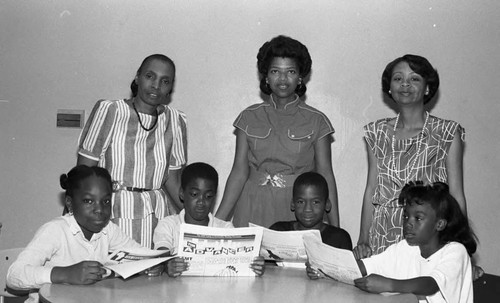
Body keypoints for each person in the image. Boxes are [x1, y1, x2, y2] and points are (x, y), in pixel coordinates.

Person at [216, 35, 339, 228]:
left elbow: (325, 174)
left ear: (300, 77)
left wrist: (335, 228)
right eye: (275, 71)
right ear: (266, 76)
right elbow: (239, 172)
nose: (283, 79)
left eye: (290, 71)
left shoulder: (317, 121)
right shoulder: (248, 117)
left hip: (295, 209)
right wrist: (217, 223)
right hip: (251, 205)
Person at [354, 54, 468, 259]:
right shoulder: (377, 132)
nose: (405, 84)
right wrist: (363, 239)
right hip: (383, 232)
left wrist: (460, 249)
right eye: (398, 78)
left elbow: (457, 195)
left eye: (414, 78)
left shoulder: (447, 132)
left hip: (427, 231)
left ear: (427, 88)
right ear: (389, 87)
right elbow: (371, 189)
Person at [77, 54, 187, 249]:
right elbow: (83, 175)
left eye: (165, 81)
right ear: (137, 77)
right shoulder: (110, 111)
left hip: (157, 216)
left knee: (155, 275)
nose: (156, 85)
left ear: (171, 88)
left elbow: (173, 180)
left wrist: (201, 221)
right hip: (111, 214)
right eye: (150, 76)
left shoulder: (175, 120)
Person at [7, 165, 161, 303]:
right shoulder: (55, 230)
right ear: (69, 203)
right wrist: (65, 274)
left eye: (106, 201)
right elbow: (14, 276)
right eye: (88, 201)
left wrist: (159, 263)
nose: (99, 209)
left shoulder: (108, 229)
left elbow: (141, 253)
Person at [352, 181, 476, 303]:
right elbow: (370, 265)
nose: (408, 223)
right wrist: (340, 266)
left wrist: (389, 285)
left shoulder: (456, 251)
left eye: (418, 218)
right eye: (406, 216)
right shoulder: (405, 247)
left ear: (439, 224)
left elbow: (431, 284)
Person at [153, 162, 265, 277]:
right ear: (182, 193)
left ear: (214, 197)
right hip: (177, 292)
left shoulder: (225, 229)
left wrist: (254, 265)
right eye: (194, 194)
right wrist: (167, 265)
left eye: (208, 196)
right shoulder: (168, 225)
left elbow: (238, 264)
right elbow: (162, 256)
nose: (201, 201)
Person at [269, 172, 352, 250]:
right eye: (301, 202)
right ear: (293, 204)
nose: (307, 209)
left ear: (327, 204)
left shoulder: (339, 239)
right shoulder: (278, 232)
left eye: (315, 202)